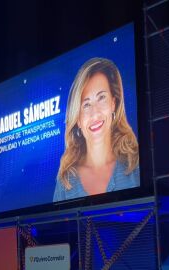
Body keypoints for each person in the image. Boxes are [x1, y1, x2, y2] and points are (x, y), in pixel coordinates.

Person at [54, 57, 139, 202]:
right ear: (78, 120)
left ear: (113, 103)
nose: (95, 113)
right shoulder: (66, 181)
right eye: (86, 105)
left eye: (101, 98)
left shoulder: (135, 164)